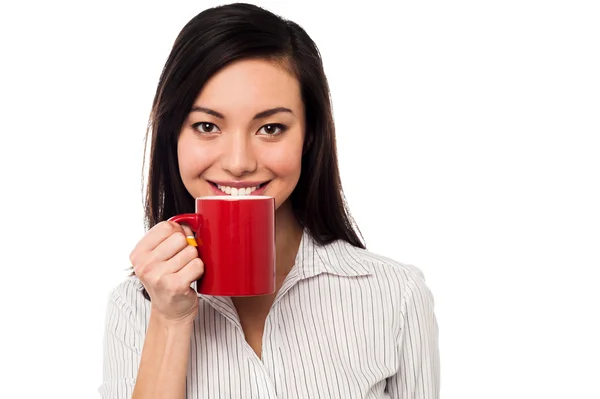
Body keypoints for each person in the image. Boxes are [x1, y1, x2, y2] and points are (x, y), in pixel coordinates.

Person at [99, 3, 439, 398]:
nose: (239, 163)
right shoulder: (134, 307)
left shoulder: (396, 295)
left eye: (271, 128)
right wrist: (170, 319)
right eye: (207, 126)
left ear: (309, 136)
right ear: (173, 135)